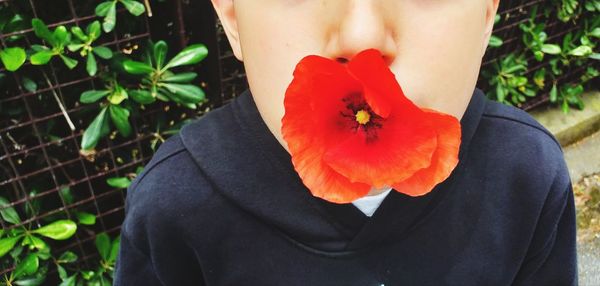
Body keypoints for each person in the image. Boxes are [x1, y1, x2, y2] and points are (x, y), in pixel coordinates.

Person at [113, 0, 578, 285]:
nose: (362, 39)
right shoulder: (174, 209)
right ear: (233, 17)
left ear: (486, 15)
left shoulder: (526, 176)